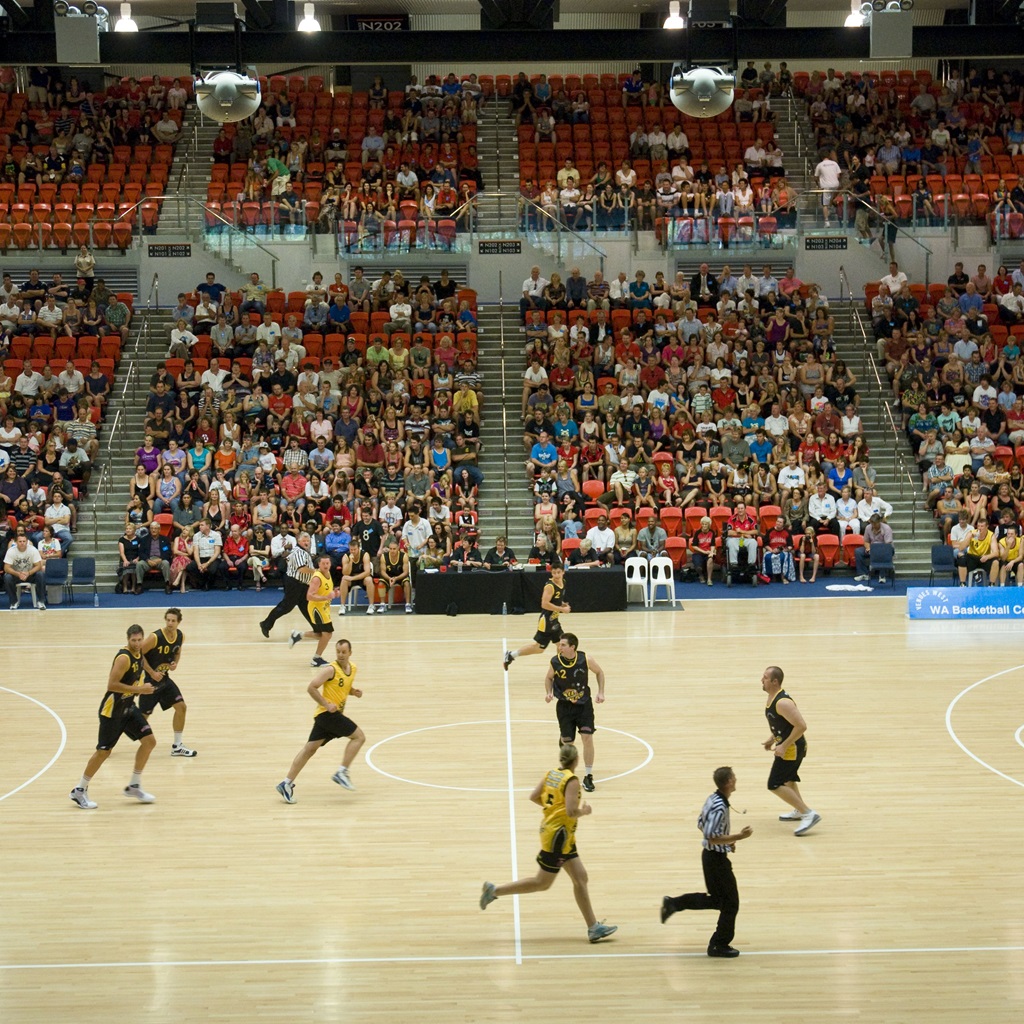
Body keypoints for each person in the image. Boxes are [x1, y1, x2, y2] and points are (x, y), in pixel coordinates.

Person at [479, 742, 617, 945]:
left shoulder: (551, 774)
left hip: (559, 833)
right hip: (558, 837)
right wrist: (583, 812)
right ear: (576, 760)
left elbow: (534, 797)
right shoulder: (572, 781)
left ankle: (593, 927)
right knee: (542, 883)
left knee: (581, 878)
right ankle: (495, 891)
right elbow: (571, 811)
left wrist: (553, 810)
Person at [660, 765, 753, 958]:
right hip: (716, 861)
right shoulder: (719, 806)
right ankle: (718, 944)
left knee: (718, 900)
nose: (736, 780)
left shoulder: (713, 798)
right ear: (728, 782)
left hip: (712, 856)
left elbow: (701, 824)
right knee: (731, 903)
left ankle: (674, 904)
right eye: (734, 778)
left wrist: (727, 843)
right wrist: (738, 836)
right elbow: (711, 836)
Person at [69, 625, 158, 809]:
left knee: (149, 741)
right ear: (128, 640)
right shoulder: (124, 657)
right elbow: (111, 684)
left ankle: (134, 785)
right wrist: (139, 689)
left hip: (128, 707)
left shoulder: (139, 654)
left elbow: (136, 674)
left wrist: (143, 684)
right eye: (133, 640)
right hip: (112, 710)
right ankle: (79, 790)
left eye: (139, 639)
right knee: (104, 751)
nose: (137, 643)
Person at [276, 638, 365, 803]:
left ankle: (286, 783)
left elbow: (344, 687)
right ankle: (342, 772)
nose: (341, 655)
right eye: (338, 651)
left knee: (309, 749)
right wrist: (325, 703)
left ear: (350, 653)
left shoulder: (353, 669)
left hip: (326, 717)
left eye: (344, 652)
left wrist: (354, 692)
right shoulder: (330, 669)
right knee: (359, 737)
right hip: (328, 714)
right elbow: (311, 687)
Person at [762, 665, 821, 836]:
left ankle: (808, 813)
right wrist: (772, 738)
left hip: (792, 748)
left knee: (774, 784)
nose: (761, 680)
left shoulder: (783, 702)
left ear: (775, 681)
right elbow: (782, 724)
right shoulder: (773, 699)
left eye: (765, 677)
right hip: (788, 746)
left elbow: (801, 726)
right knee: (788, 780)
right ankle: (799, 809)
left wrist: (784, 745)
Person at [544, 632, 605, 793]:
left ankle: (588, 775)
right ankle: (566, 775)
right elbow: (548, 678)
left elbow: (599, 672)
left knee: (587, 738)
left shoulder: (585, 659)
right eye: (560, 645)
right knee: (568, 744)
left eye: (563, 645)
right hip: (564, 706)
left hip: (584, 705)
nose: (559, 647)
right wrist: (549, 692)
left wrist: (601, 692)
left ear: (572, 647)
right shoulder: (555, 661)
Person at [138, 607, 197, 757]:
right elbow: (138, 654)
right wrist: (152, 672)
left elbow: (177, 651)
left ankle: (177, 746)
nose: (170, 623)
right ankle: (110, 740)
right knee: (140, 719)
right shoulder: (155, 637)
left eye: (173, 621)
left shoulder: (180, 636)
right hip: (149, 683)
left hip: (164, 681)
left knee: (181, 707)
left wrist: (175, 663)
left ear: (179, 622)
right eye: (168, 620)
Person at [502, 561, 570, 668]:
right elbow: (544, 604)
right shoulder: (550, 586)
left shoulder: (563, 582)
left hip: (554, 620)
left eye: (558, 572)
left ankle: (559, 667)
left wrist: (562, 604)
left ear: (563, 572)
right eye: (554, 573)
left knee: (561, 643)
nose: (556, 575)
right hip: (546, 621)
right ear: (551, 573)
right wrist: (561, 609)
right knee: (538, 648)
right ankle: (511, 655)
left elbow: (556, 599)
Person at [288, 553, 342, 667]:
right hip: (317, 608)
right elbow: (309, 596)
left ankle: (298, 634)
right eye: (323, 563)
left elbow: (326, 589)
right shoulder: (317, 578)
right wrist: (326, 597)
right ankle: (316, 659)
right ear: (319, 564)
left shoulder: (328, 573)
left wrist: (335, 593)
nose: (326, 565)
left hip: (324, 607)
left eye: (327, 563)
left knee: (320, 634)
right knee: (327, 634)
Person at [259, 531, 315, 637]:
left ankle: (317, 628)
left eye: (308, 540)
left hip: (302, 584)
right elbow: (302, 569)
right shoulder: (299, 552)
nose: (307, 542)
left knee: (306, 607)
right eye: (304, 540)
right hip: (295, 584)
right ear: (299, 541)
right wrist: (316, 572)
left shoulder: (302, 551)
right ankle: (266, 624)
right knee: (286, 607)